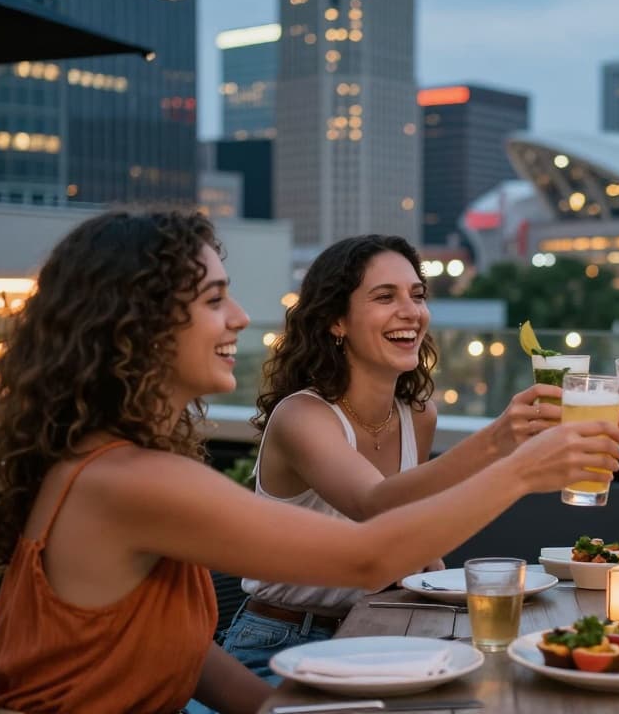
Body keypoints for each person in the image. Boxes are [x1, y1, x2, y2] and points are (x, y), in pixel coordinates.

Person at [0, 210, 619, 714]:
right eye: (215, 299)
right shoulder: (130, 481)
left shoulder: (117, 465)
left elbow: (180, 647)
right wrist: (522, 466)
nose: (242, 318)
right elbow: (366, 554)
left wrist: (272, 708)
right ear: (139, 323)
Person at [221, 234, 564, 680]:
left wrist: (424, 562)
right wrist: (499, 439)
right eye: (385, 297)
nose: (411, 311)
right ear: (335, 321)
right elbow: (374, 505)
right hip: (278, 643)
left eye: (417, 295)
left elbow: (407, 524)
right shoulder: (301, 415)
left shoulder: (418, 416)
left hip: (375, 633)